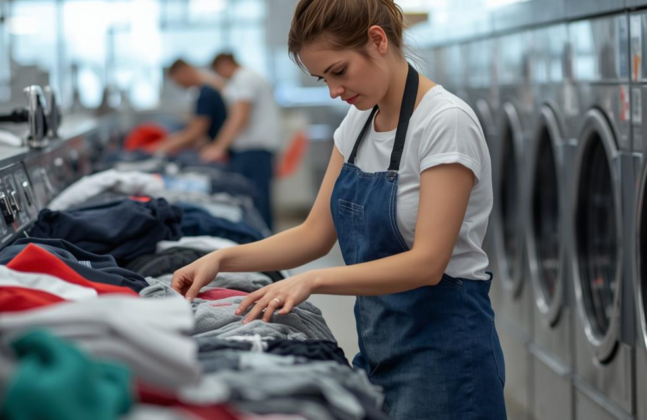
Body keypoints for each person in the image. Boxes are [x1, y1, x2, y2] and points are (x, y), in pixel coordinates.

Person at [171, 0, 506, 418]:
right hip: (379, 349)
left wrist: (312, 280)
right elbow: (314, 233)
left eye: (339, 71)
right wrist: (221, 260)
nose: (333, 90)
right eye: (323, 78)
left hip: (448, 357)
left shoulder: (444, 122)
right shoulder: (357, 124)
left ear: (377, 40)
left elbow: (427, 263)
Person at [201, 52, 281, 229]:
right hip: (255, 149)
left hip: (254, 149)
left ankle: (263, 242)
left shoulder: (244, 78)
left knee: (256, 204)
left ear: (224, 65)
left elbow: (240, 116)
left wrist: (218, 147)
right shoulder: (247, 78)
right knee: (256, 202)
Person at [156, 59, 228, 155]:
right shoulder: (204, 91)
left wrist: (165, 145)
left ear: (184, 72)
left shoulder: (206, 94)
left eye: (177, 81)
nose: (178, 85)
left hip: (221, 150)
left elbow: (196, 132)